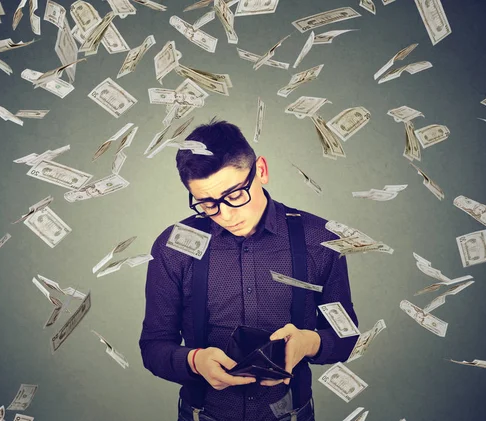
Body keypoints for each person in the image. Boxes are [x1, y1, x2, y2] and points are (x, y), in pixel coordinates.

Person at [139, 118, 359, 421]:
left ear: (262, 171)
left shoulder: (320, 240)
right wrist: (194, 360)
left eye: (235, 195)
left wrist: (309, 343)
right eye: (207, 204)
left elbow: (346, 336)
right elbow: (153, 347)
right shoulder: (173, 246)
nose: (226, 214)